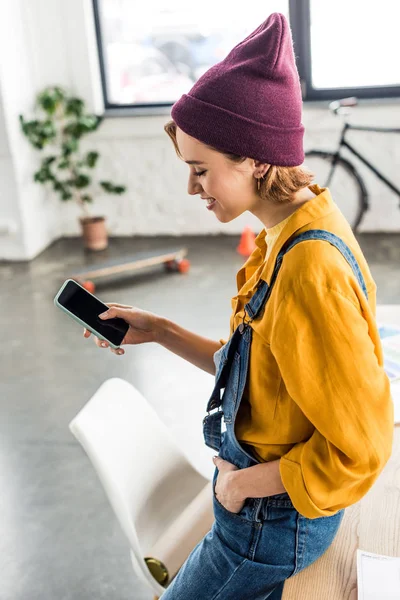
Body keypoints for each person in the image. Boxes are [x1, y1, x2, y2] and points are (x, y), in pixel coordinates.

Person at [84, 13, 393, 599]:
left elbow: (362, 448)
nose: (192, 188)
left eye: (201, 170)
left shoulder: (309, 269)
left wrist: (243, 486)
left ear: (254, 158)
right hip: (256, 512)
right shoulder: (295, 227)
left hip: (267, 526)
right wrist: (162, 330)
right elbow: (261, 374)